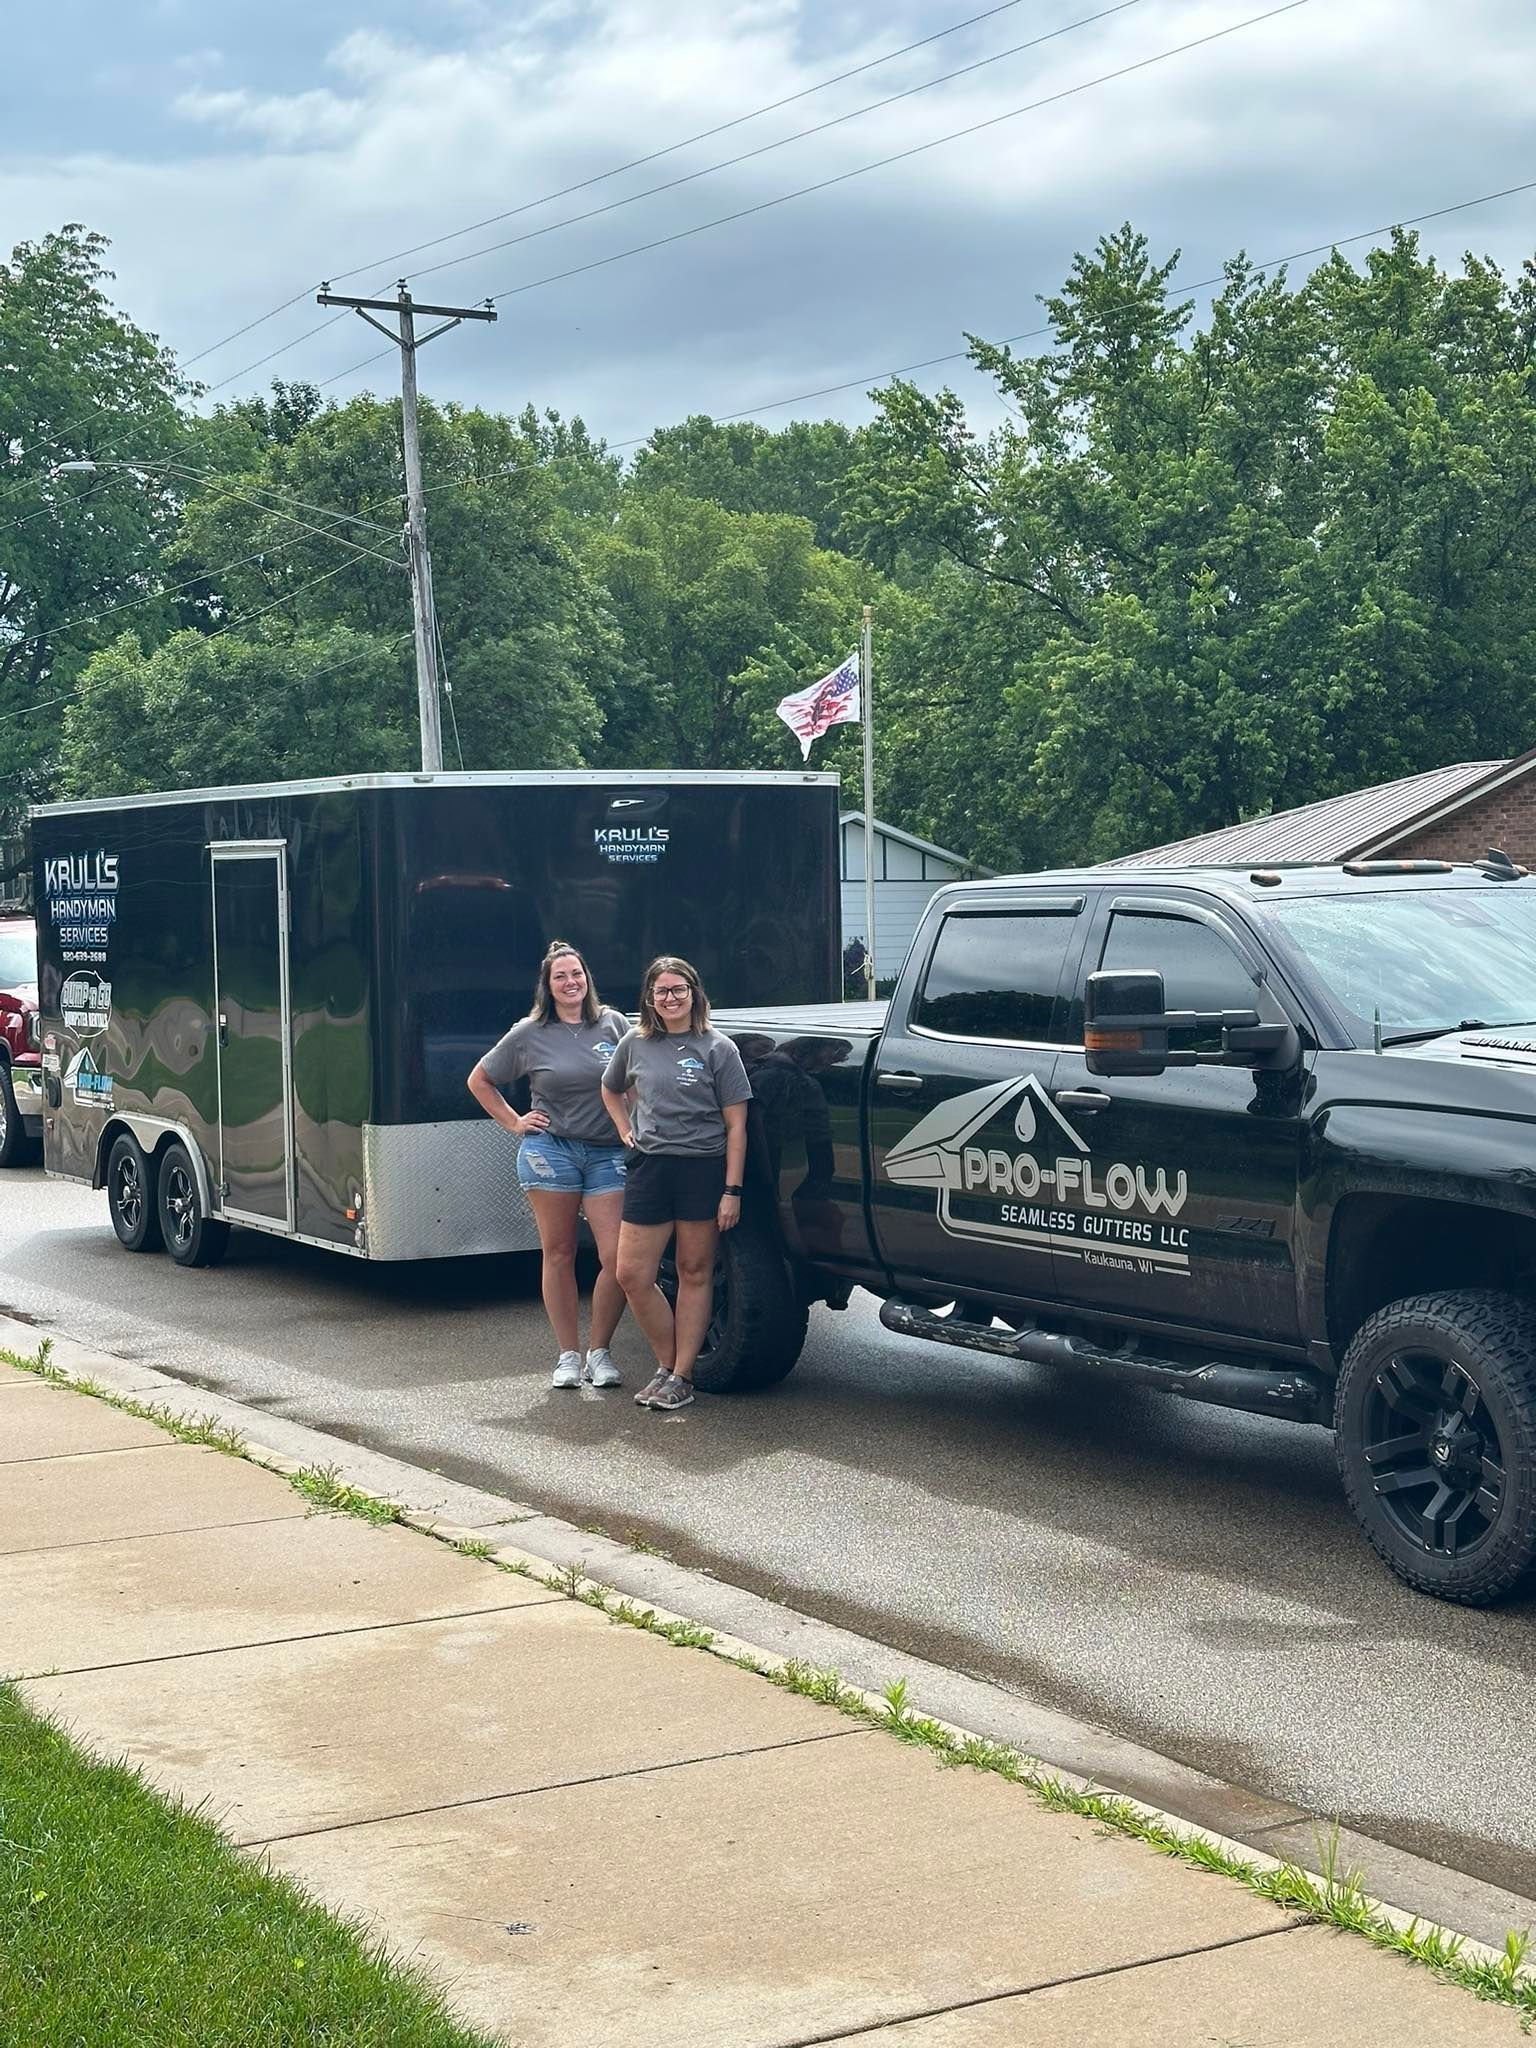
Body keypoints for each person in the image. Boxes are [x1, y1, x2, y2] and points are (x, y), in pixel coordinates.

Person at [467, 942, 629, 1389]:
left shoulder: (613, 1023)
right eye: (561, 976)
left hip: (607, 1153)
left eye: (576, 973)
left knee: (616, 1258)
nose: (571, 982)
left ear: (587, 977)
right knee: (558, 1253)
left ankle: (600, 1351)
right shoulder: (529, 1032)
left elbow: (634, 1080)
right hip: (550, 1151)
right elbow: (480, 1079)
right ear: (548, 985)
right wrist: (515, 1122)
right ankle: (568, 1356)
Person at [601, 955, 751, 1413]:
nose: (670, 998)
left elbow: (736, 1128)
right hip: (650, 1168)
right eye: (661, 990)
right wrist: (625, 1128)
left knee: (694, 1271)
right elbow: (610, 1088)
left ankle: (682, 1376)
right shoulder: (635, 1042)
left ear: (694, 993)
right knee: (631, 1273)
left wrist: (732, 1191)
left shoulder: (718, 1048)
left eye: (678, 989)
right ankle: (669, 1365)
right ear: (649, 997)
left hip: (701, 1170)